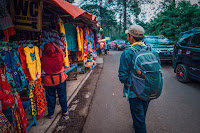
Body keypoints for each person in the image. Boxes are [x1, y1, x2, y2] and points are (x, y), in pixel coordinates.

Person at [118, 25, 149, 133]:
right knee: (142, 113)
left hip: (135, 91)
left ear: (131, 37)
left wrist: (128, 82)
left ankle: (139, 127)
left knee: (138, 117)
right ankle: (138, 124)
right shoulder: (150, 50)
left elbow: (122, 76)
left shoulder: (128, 52)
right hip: (149, 88)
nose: (127, 37)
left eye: (128, 35)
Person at [41, 42, 68, 119]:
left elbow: (39, 58)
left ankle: (51, 114)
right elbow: (62, 52)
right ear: (53, 49)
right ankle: (65, 111)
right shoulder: (59, 56)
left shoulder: (43, 59)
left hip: (48, 81)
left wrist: (40, 51)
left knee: (50, 97)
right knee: (62, 96)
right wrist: (56, 46)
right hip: (60, 79)